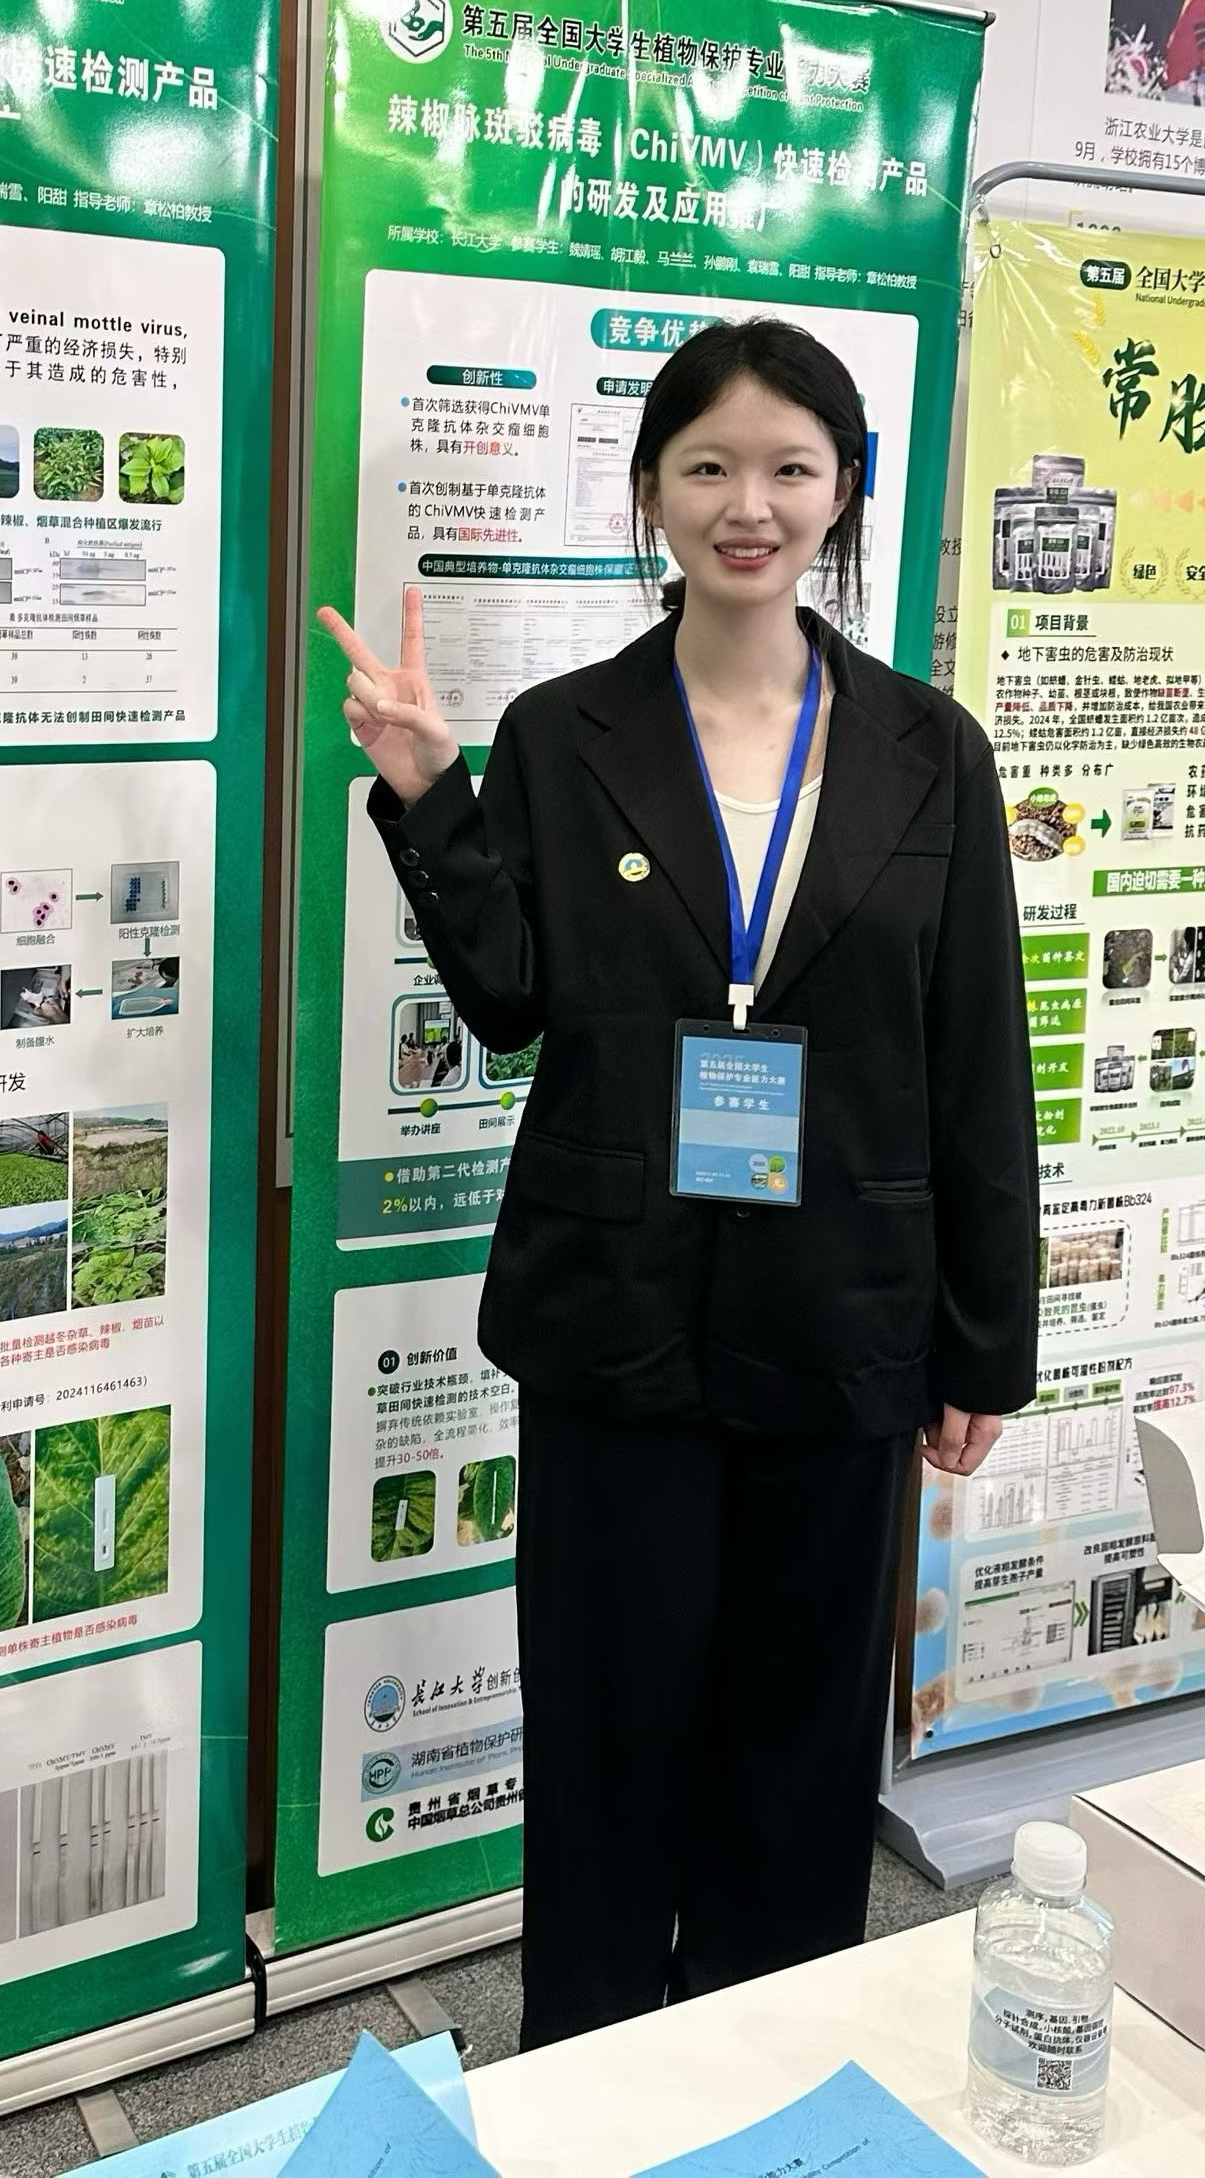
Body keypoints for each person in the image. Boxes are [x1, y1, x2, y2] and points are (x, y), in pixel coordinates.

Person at [318, 318, 1037, 2047]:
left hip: (842, 1315)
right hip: (611, 1312)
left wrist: (981, 1343)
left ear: (842, 491)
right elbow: (508, 1003)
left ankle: (760, 2074)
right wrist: (427, 795)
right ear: (649, 489)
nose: (747, 505)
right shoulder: (560, 733)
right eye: (707, 466)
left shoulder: (928, 749)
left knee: (798, 1750)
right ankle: (581, 2076)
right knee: (605, 1732)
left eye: (789, 467)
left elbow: (974, 1055)